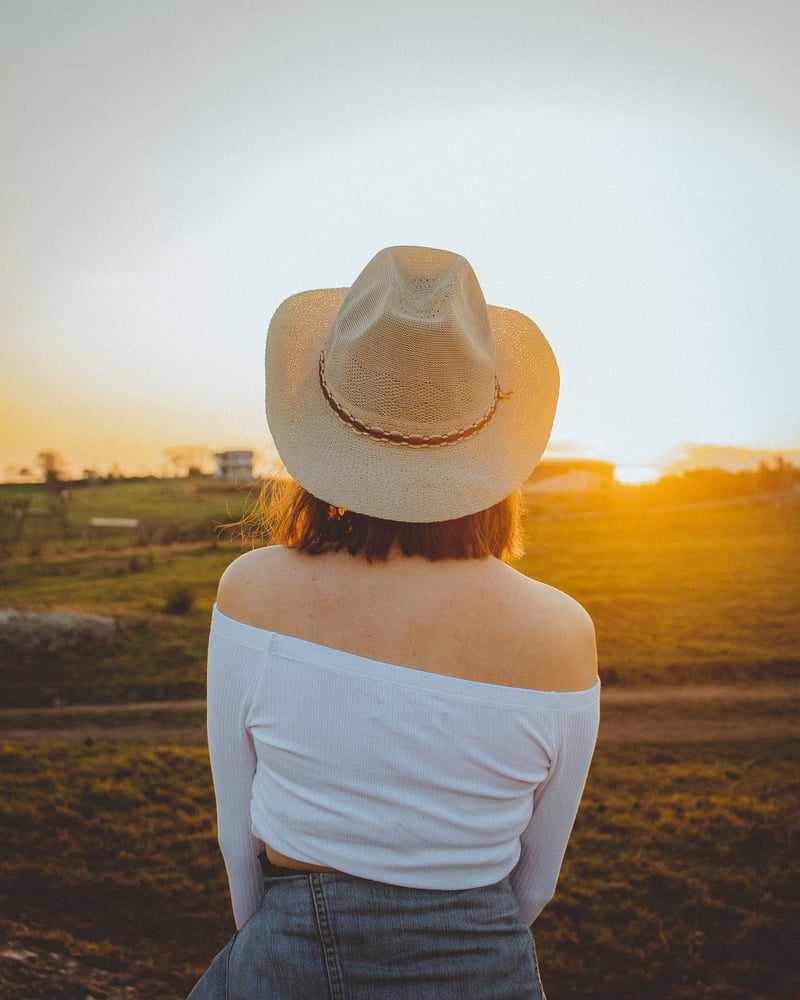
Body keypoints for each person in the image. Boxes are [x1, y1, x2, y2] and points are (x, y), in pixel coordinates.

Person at [187, 245, 599, 999]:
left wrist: (271, 953)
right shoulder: (562, 630)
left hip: (290, 945)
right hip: (488, 960)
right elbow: (537, 881)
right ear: (492, 443)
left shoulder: (252, 590)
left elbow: (235, 834)